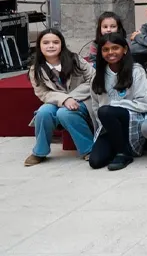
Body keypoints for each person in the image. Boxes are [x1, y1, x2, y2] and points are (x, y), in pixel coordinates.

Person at [25, 29, 96, 166]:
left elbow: (93, 78)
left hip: (81, 99)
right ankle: (39, 152)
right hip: (55, 101)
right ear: (39, 46)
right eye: (46, 43)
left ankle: (89, 149)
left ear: (62, 44)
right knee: (43, 112)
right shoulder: (36, 69)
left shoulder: (75, 60)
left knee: (66, 113)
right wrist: (63, 99)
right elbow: (43, 93)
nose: (51, 46)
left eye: (55, 42)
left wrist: (71, 98)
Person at [88, 33, 147, 171]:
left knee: (106, 110)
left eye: (115, 48)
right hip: (108, 123)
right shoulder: (98, 74)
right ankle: (118, 148)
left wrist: (115, 105)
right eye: (105, 50)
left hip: (130, 121)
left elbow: (145, 103)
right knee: (95, 162)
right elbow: (95, 105)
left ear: (125, 49)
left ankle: (124, 153)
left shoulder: (136, 71)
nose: (110, 52)